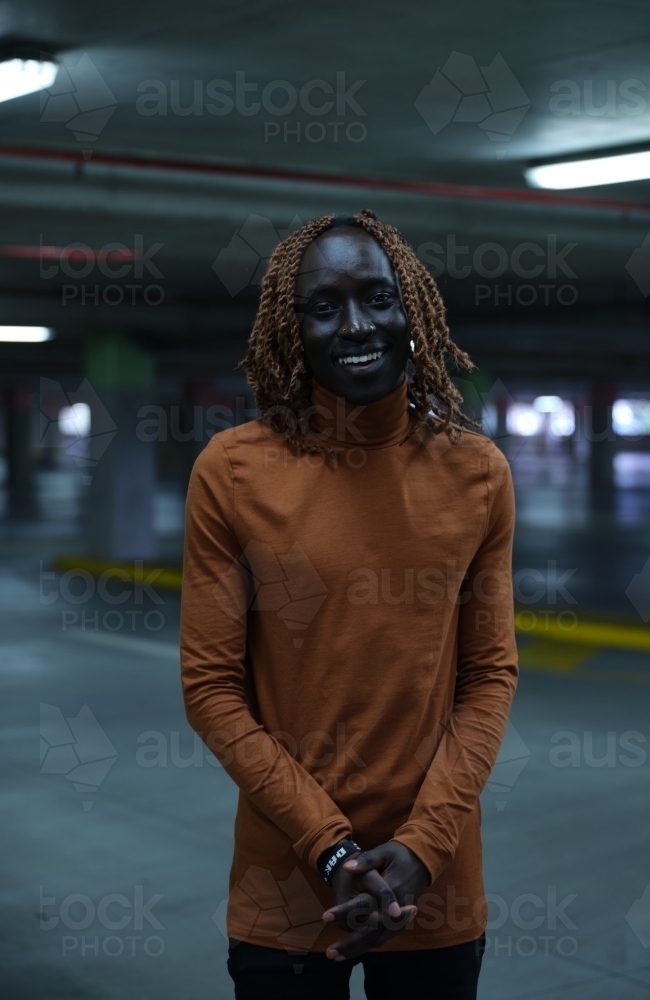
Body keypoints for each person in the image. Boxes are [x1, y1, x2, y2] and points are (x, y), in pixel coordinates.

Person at [180, 209, 518, 999]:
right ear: (291, 327)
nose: (357, 324)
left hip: (433, 885)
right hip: (288, 892)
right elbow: (212, 690)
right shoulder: (232, 472)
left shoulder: (476, 473)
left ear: (413, 308)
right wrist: (331, 850)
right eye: (324, 306)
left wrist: (425, 846)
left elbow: (489, 677)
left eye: (377, 296)